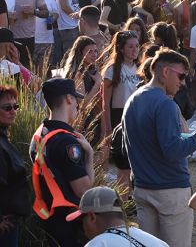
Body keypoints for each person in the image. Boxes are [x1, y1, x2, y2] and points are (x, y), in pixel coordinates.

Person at [123, 48, 196, 246]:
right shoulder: (165, 105)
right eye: (181, 76)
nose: (183, 82)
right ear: (165, 72)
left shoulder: (133, 100)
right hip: (170, 191)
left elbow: (148, 141)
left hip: (143, 188)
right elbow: (172, 150)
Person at [30, 78, 94, 247]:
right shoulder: (67, 142)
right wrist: (90, 155)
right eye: (75, 100)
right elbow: (84, 191)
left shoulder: (39, 136)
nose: (77, 105)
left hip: (51, 219)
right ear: (68, 99)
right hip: (72, 223)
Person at [66, 186, 169, 246]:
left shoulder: (99, 244)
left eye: (81, 221)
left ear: (92, 217)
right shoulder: (158, 243)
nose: (83, 228)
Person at [0, 85, 30, 246]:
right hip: (5, 226)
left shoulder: (4, 139)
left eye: (15, 106)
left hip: (11, 222)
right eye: (7, 108)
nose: (13, 111)